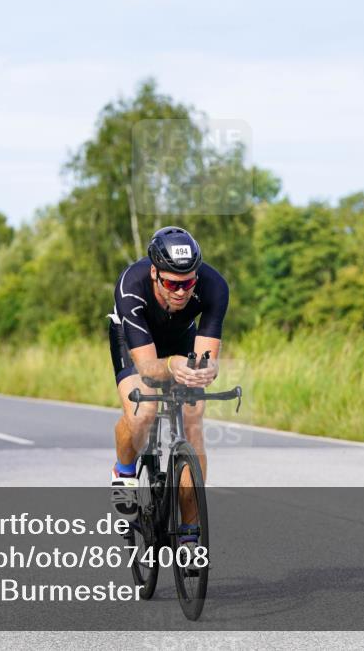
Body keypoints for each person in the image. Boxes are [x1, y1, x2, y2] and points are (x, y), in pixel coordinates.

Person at [106, 227, 227, 545]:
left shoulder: (214, 285)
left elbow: (206, 356)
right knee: (143, 411)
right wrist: (173, 365)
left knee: (194, 417)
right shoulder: (131, 286)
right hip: (133, 341)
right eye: (173, 283)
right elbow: (147, 368)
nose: (181, 291)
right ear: (154, 273)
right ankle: (125, 472)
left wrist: (205, 370)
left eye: (188, 283)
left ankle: (189, 535)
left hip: (180, 337)